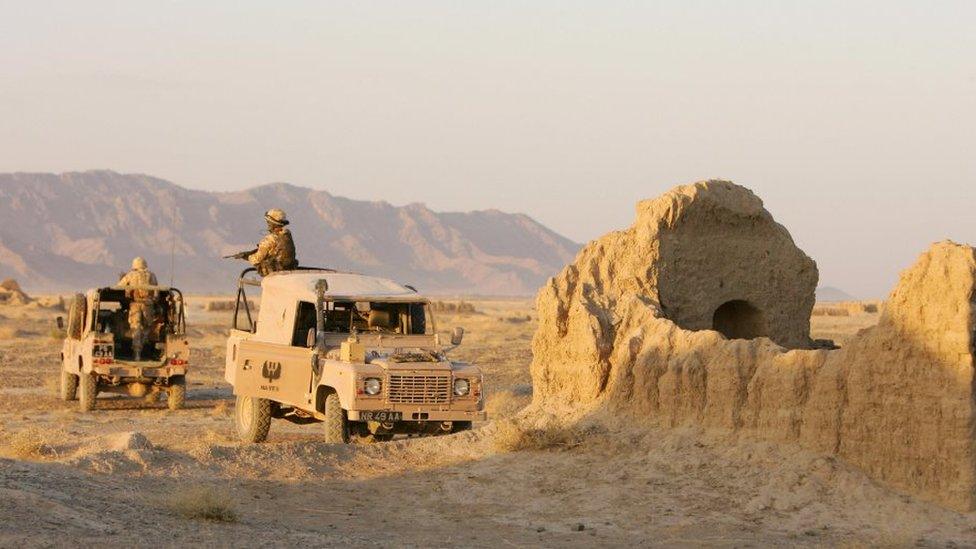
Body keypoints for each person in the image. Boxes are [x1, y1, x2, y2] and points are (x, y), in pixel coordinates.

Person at [118, 257, 158, 361]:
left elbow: (119, 286)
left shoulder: (131, 274)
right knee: (147, 327)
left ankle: (136, 354)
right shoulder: (151, 275)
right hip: (148, 305)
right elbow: (156, 292)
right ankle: (143, 343)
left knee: (136, 328)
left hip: (135, 304)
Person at [243, 208, 298, 276]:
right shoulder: (287, 235)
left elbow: (256, 259)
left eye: (268, 222)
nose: (267, 224)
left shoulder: (270, 239)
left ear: (272, 223)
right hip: (288, 272)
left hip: (274, 274)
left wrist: (246, 257)